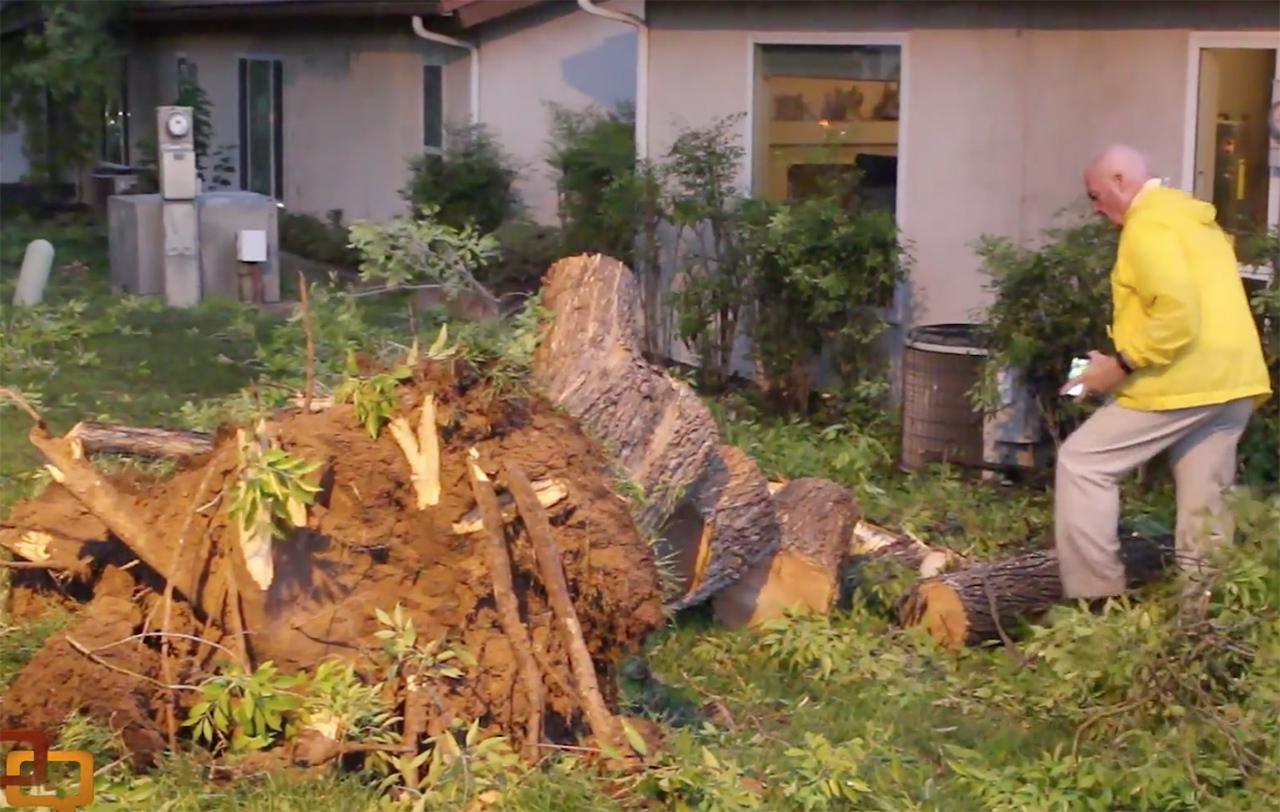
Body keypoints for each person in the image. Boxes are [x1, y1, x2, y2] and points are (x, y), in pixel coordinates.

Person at [1056, 144, 1272, 602]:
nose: (1095, 208)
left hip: (1188, 380)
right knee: (1204, 510)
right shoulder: (1194, 220)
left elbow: (1176, 316)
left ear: (1120, 181)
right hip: (1234, 380)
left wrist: (1116, 367)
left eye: (1095, 195)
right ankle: (1205, 626)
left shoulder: (1146, 227)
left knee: (1083, 463)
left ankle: (1096, 602)